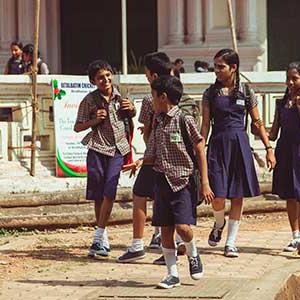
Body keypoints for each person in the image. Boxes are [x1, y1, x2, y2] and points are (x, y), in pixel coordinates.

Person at [200, 48, 276, 257]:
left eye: (221, 66)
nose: (216, 70)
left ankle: (231, 242)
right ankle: (218, 223)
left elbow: (257, 122)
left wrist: (269, 148)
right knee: (218, 195)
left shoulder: (246, 91)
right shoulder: (210, 93)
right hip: (217, 145)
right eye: (215, 66)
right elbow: (205, 124)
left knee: (237, 195)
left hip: (239, 144)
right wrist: (200, 148)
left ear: (233, 68)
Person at [144, 75, 214, 289]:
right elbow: (153, 151)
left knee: (183, 227)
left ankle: (193, 251)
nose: (152, 101)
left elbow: (200, 149)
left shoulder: (185, 119)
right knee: (165, 229)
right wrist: (139, 162)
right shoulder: (157, 121)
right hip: (161, 181)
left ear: (163, 97)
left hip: (182, 182)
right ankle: (172, 273)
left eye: (154, 97)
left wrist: (205, 182)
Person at [117, 52, 187, 264]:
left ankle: (138, 244)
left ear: (154, 75)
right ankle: (175, 243)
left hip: (155, 158)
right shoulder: (178, 91)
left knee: (139, 194)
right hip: (178, 159)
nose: (146, 77)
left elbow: (148, 132)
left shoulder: (151, 98)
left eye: (147, 74)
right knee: (169, 199)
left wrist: (147, 156)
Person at [74, 59, 136, 257]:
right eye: (100, 78)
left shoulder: (122, 95)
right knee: (98, 194)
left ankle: (98, 237)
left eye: (108, 75)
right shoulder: (89, 100)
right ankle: (103, 237)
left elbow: (132, 115)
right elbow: (78, 126)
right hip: (97, 148)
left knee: (110, 192)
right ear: (93, 81)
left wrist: (132, 110)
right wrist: (95, 120)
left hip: (118, 149)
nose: (106, 80)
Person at [269, 62, 300, 252]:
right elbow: (273, 133)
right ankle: (295, 235)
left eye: (294, 78)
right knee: (290, 194)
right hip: (286, 151)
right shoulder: (281, 103)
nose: (290, 82)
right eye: (288, 78)